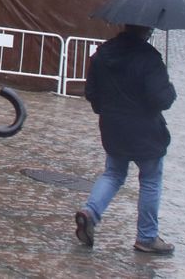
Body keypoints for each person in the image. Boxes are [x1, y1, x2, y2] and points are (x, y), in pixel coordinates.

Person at [75, 23, 177, 255]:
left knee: (113, 174)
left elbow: (91, 94)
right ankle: (147, 237)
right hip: (147, 132)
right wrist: (169, 87)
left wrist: (109, 111)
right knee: (150, 180)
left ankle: (90, 212)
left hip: (113, 128)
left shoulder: (102, 54)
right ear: (147, 30)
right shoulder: (150, 58)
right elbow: (162, 99)